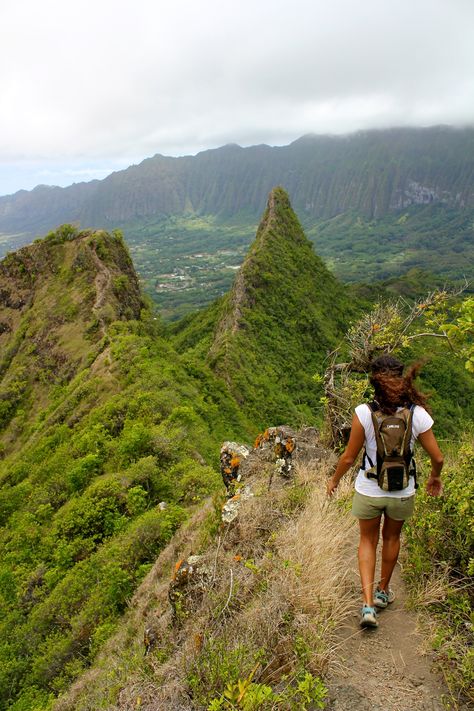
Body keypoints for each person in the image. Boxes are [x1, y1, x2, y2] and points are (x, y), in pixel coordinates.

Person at [326, 355, 444, 628]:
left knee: (367, 541)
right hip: (402, 490)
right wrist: (434, 477)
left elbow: (347, 458)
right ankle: (382, 592)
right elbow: (438, 458)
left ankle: (367, 605)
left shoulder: (363, 412)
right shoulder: (417, 414)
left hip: (368, 488)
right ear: (402, 379)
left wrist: (334, 481)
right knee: (391, 538)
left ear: (374, 381)